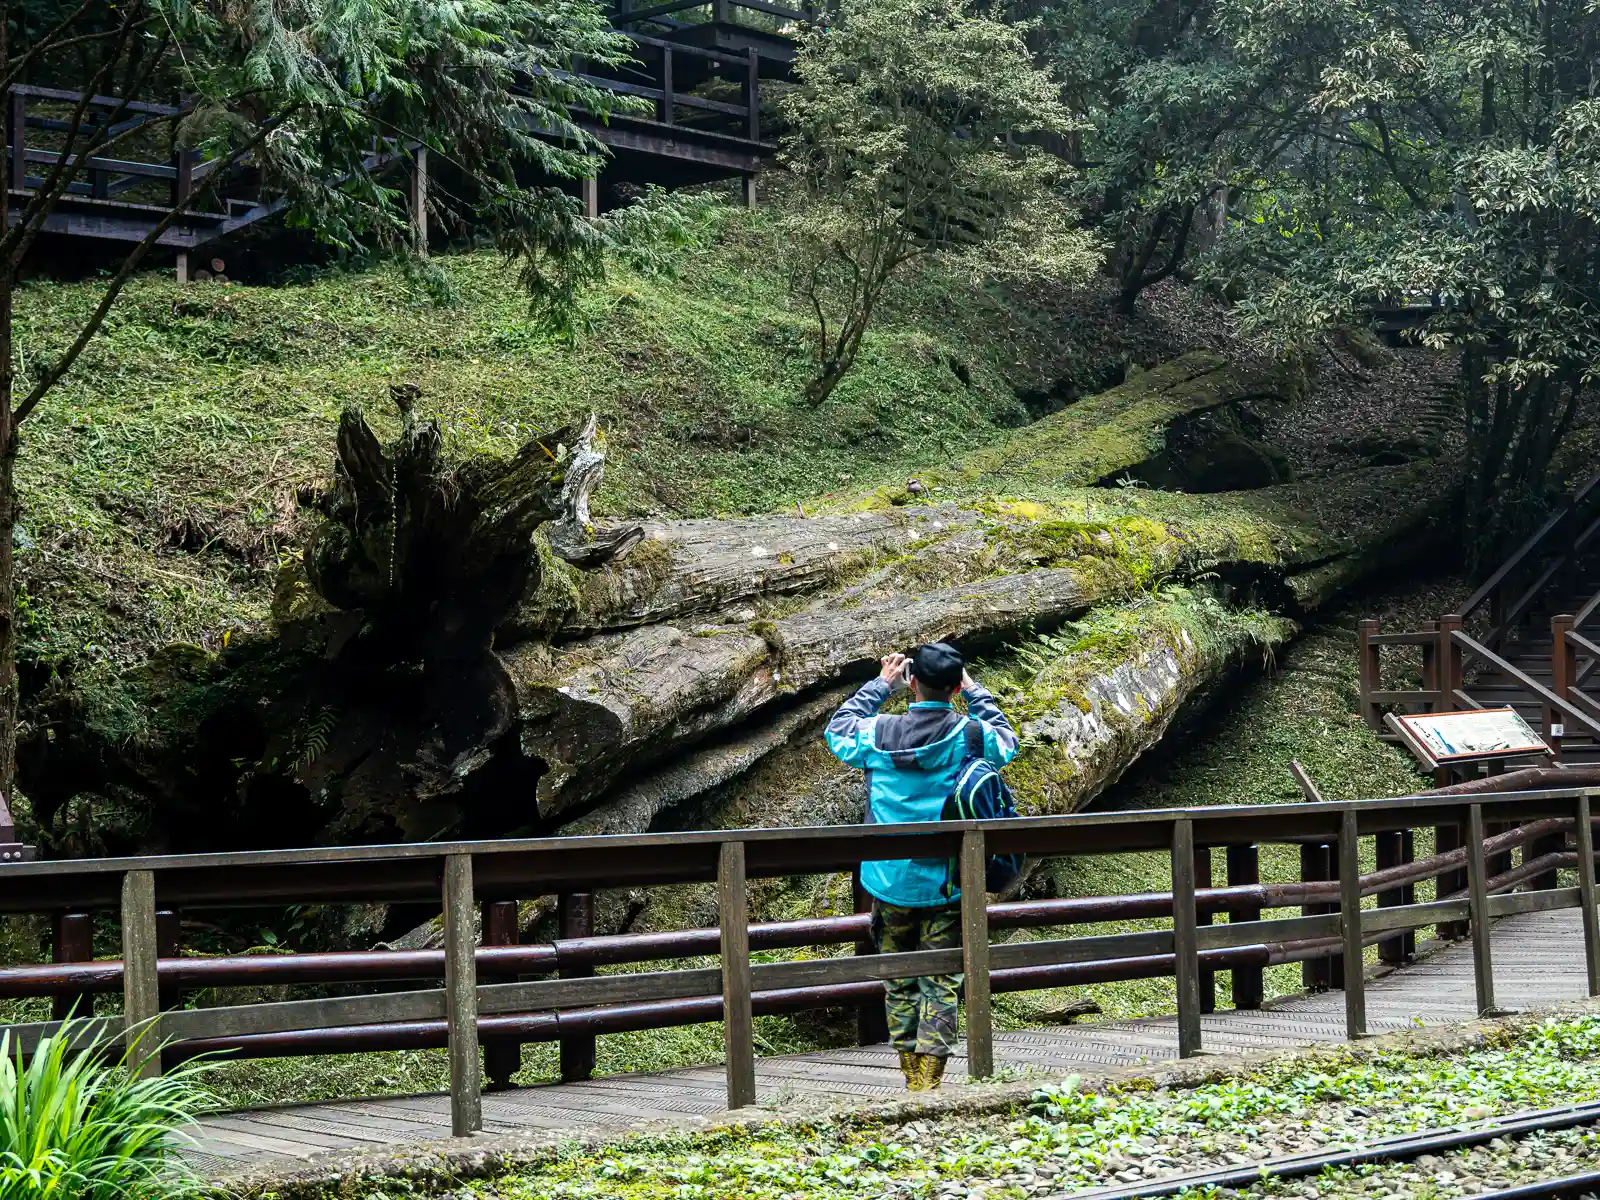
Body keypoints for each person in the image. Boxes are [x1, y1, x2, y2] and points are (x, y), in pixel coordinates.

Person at [824, 641, 1019, 1091]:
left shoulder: (876, 732)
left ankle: (911, 1072)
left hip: (888, 879)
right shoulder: (971, 734)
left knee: (898, 980)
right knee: (941, 981)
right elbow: (1006, 743)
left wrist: (879, 684)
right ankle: (927, 1080)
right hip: (949, 881)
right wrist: (976, 693)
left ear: (911, 681)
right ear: (954, 688)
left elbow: (837, 731)